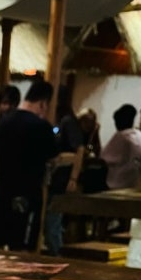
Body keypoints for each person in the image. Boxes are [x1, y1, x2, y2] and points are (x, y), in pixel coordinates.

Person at [0, 78, 56, 251]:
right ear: (43, 103)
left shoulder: (4, 122)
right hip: (27, 194)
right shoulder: (41, 127)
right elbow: (53, 154)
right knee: (22, 250)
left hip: (2, 191)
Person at [45, 86, 87, 255]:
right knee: (53, 220)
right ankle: (56, 252)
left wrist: (73, 178)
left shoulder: (67, 121)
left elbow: (80, 150)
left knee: (53, 220)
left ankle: (57, 254)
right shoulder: (63, 120)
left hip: (61, 178)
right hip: (58, 177)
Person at [101, 104, 141, 189]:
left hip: (120, 181)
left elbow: (105, 158)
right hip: (136, 180)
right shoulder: (140, 135)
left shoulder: (121, 136)